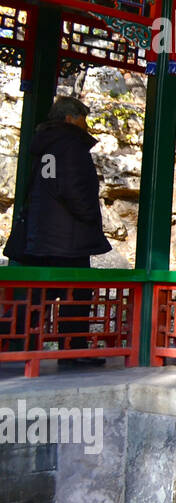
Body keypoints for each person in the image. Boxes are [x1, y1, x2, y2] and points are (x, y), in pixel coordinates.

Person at [2, 96, 112, 365]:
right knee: (77, 295)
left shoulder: (45, 146)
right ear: (69, 119)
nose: (85, 125)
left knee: (37, 296)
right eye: (82, 118)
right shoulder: (70, 144)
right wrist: (89, 217)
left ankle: (21, 346)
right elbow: (73, 189)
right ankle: (72, 350)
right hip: (68, 239)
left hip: (39, 237)